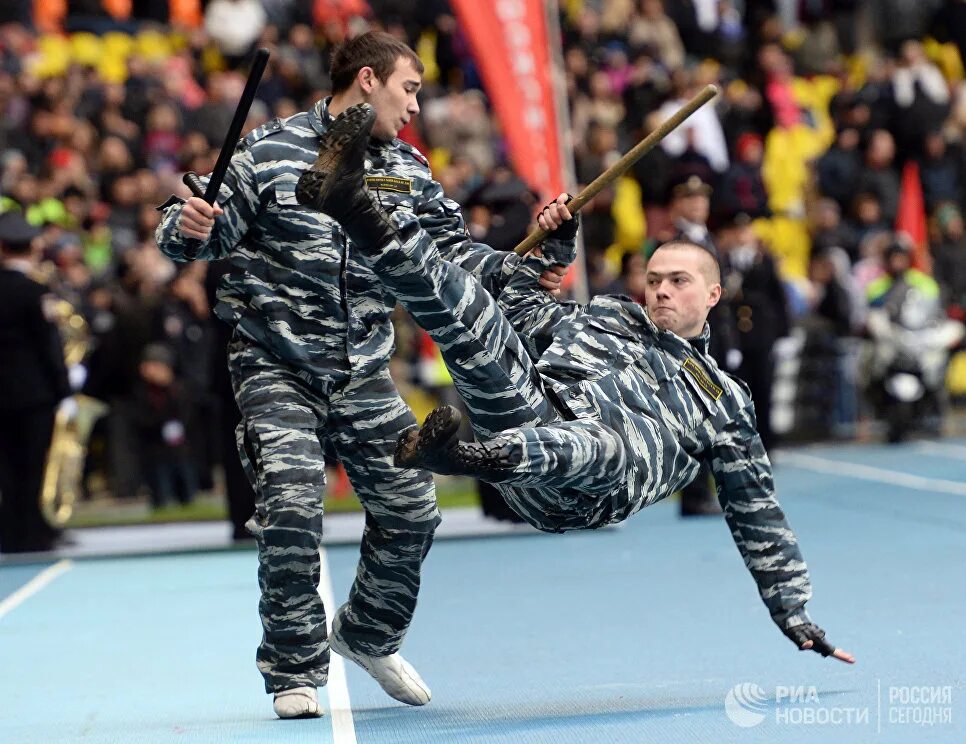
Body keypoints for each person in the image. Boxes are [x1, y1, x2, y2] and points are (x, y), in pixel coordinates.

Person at [297, 103, 856, 664]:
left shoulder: (723, 396)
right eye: (655, 279)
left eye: (678, 281)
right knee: (465, 303)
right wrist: (557, 248)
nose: (661, 290)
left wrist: (794, 610)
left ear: (712, 295)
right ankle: (351, 203)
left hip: (588, 488)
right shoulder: (609, 316)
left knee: (606, 444)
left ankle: (463, 457)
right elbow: (518, 307)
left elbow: (756, 509)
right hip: (526, 424)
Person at [155, 32, 565, 718]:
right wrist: (188, 224)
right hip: (276, 363)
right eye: (409, 89)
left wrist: (529, 261)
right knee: (290, 504)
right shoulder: (272, 148)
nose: (414, 106)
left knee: (412, 509)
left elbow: (456, 258)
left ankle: (368, 633)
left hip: (363, 370)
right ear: (368, 80)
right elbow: (196, 234)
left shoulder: (408, 168)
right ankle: (293, 669)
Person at [0, 211, 71, 554]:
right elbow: (49, 346)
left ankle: (10, 535)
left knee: (7, 470)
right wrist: (63, 388)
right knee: (34, 467)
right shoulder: (35, 291)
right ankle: (33, 534)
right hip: (33, 394)